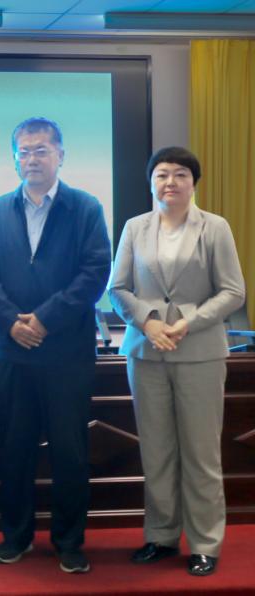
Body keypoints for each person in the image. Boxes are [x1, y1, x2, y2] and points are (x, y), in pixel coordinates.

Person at [0, 118, 111, 574]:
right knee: (15, 448)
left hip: (67, 352)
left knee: (70, 451)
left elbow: (94, 272)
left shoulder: (85, 207)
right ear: (15, 158)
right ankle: (15, 537)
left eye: (41, 150)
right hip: (13, 351)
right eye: (24, 151)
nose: (31, 158)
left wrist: (45, 319)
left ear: (60, 155)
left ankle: (69, 542)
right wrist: (12, 321)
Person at [108, 147, 244, 577]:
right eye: (162, 174)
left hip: (199, 350)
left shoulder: (215, 227)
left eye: (180, 174)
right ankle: (161, 536)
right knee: (157, 450)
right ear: (151, 182)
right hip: (146, 351)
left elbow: (233, 291)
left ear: (193, 182)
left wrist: (189, 321)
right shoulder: (135, 228)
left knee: (201, 453)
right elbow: (118, 287)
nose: (171, 181)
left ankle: (204, 543)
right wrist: (148, 322)